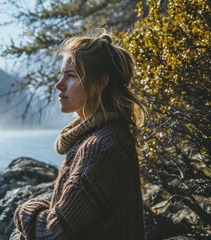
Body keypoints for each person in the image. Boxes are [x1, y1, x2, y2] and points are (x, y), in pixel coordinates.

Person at [13, 30, 146, 239]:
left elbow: (50, 233)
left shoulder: (101, 147)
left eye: (71, 75)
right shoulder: (106, 134)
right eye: (61, 75)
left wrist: (26, 210)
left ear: (101, 83)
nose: (59, 85)